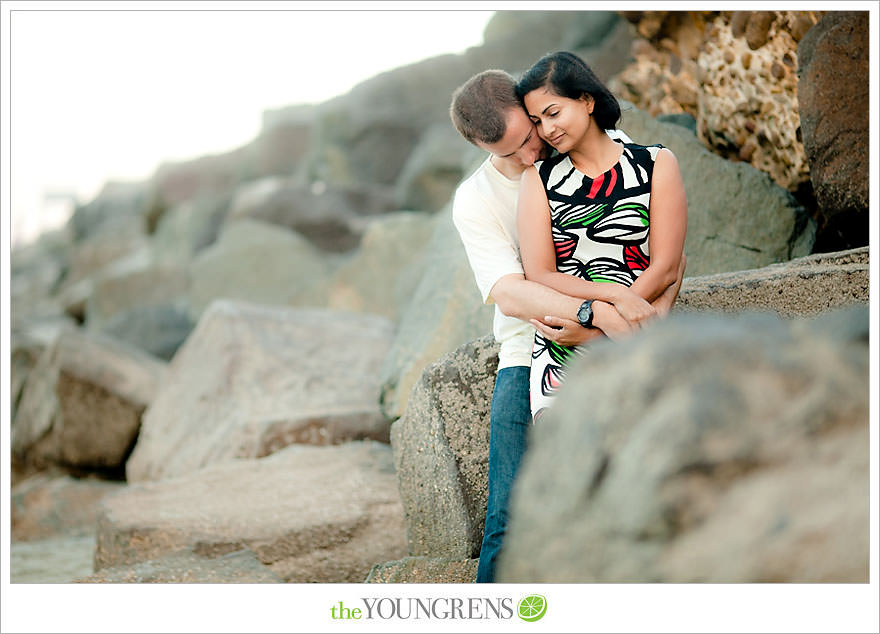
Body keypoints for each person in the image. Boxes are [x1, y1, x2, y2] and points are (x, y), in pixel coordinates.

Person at [448, 68, 686, 582]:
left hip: (630, 339)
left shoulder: (602, 152)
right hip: (529, 352)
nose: (529, 154)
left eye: (529, 134)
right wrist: (592, 315)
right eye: (507, 152)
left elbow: (666, 258)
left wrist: (641, 318)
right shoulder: (477, 198)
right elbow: (512, 290)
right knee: (509, 515)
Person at [515, 51, 688, 421]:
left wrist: (609, 329)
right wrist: (606, 307)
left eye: (553, 113)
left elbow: (668, 265)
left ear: (587, 100)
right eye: (536, 121)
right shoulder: (539, 179)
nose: (546, 130)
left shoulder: (656, 163)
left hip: (640, 330)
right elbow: (541, 275)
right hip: (565, 349)